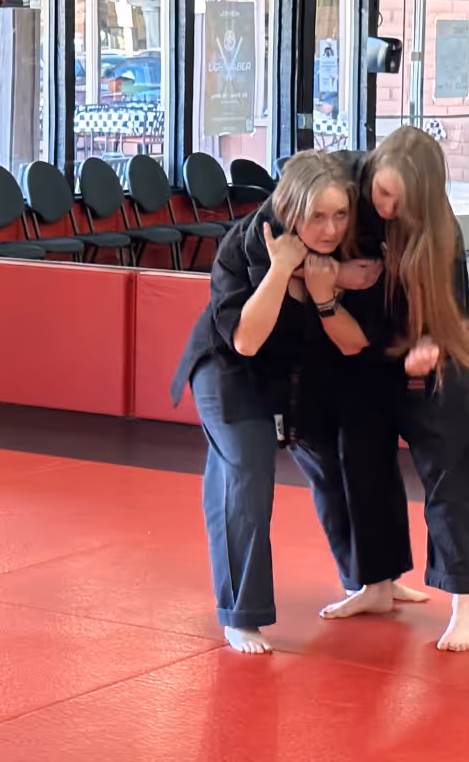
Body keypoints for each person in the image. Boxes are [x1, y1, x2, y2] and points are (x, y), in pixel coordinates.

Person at [170, 150, 416, 655]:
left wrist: (325, 283)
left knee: (339, 459)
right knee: (248, 471)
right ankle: (241, 614)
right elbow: (245, 340)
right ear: (290, 210)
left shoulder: (351, 243)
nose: (329, 229)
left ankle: (369, 579)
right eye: (316, 217)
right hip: (230, 372)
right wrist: (284, 270)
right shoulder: (245, 245)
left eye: (339, 215)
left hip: (293, 375)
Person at [315, 126, 469, 653]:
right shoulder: (347, 181)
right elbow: (293, 189)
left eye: (399, 199)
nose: (385, 206)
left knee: (448, 473)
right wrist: (337, 273)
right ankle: (377, 583)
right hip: (366, 351)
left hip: (432, 359)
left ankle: (464, 600)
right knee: (361, 462)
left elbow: (455, 311)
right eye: (382, 192)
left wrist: (433, 343)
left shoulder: (441, 231)